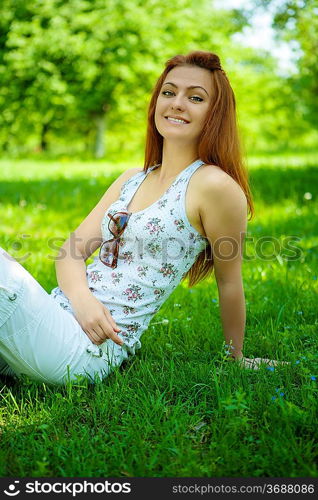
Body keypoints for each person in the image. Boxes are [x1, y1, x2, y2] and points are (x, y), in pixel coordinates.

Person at [0, 50, 287, 385]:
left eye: (195, 97)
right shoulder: (131, 179)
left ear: (215, 113)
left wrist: (235, 356)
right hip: (56, 319)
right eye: (169, 92)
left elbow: (229, 281)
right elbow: (70, 252)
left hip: (86, 350)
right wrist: (83, 302)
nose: (177, 103)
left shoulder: (213, 186)